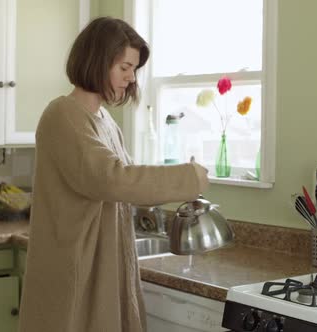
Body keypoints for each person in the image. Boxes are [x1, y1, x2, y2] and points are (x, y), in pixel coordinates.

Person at [18, 17, 209, 332]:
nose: (131, 78)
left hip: (106, 262)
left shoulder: (105, 121)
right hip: (76, 267)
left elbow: (124, 184)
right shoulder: (62, 115)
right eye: (124, 67)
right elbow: (111, 178)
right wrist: (186, 178)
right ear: (96, 60)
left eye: (133, 69)